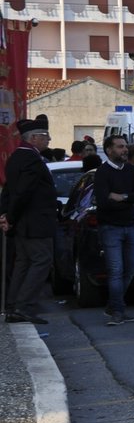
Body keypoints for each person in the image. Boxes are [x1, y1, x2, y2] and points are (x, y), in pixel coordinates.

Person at [0, 116, 57, 326]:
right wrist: (10, 217)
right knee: (41, 261)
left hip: (24, 222)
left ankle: (14, 305)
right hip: (35, 223)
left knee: (23, 263)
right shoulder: (31, 159)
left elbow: (9, 190)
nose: (49, 139)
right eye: (45, 136)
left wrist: (6, 215)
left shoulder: (16, 157)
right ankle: (23, 307)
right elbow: (23, 192)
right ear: (33, 138)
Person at [94, 135, 134, 326]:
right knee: (116, 270)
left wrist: (124, 197)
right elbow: (104, 202)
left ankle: (113, 305)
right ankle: (117, 312)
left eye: (125, 146)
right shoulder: (102, 172)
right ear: (109, 150)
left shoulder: (131, 170)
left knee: (131, 268)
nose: (125, 150)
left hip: (130, 226)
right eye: (120, 147)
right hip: (111, 228)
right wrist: (130, 197)